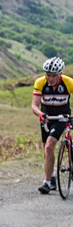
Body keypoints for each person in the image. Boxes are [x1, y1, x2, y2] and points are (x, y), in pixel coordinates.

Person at [30, 56, 73, 194]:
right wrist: (40, 114)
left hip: (62, 118)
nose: (50, 78)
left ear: (60, 74)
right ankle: (52, 177)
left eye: (53, 76)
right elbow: (34, 105)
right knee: (47, 151)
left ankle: (46, 182)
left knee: (49, 145)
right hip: (47, 118)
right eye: (48, 75)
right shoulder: (40, 82)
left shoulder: (68, 82)